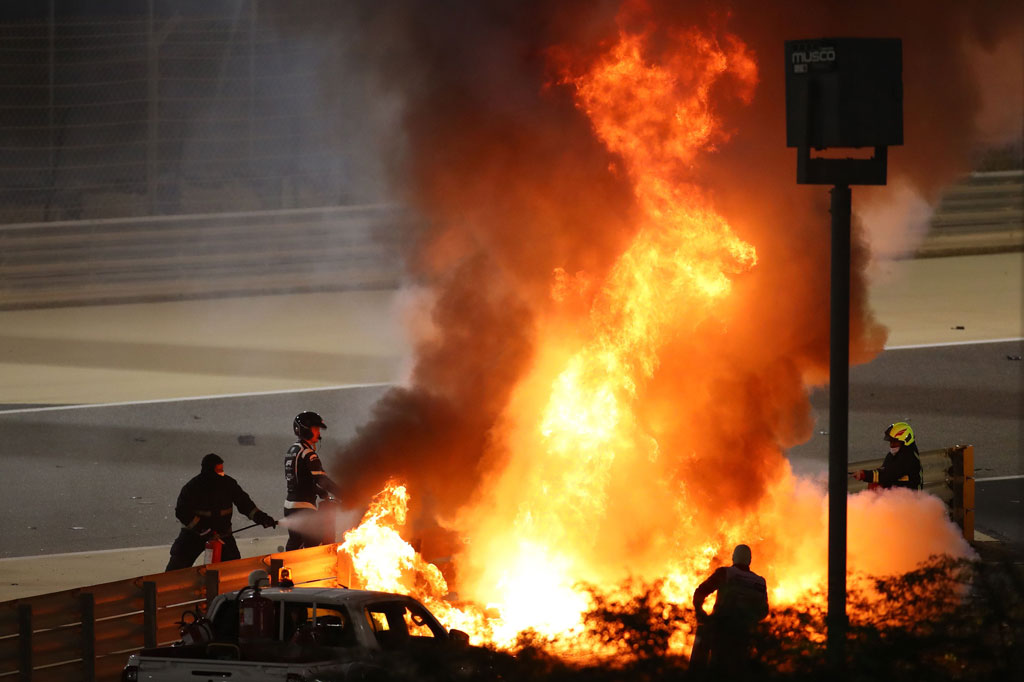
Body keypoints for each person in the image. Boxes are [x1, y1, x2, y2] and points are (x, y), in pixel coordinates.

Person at [166, 453, 277, 571]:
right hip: (194, 535)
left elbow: (245, 504)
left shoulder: (228, 484)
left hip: (222, 535)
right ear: (208, 470)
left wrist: (262, 518)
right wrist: (203, 529)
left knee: (233, 570)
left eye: (222, 470)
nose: (222, 473)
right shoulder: (193, 487)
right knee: (176, 567)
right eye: (219, 470)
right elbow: (182, 512)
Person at [691, 544, 769, 677]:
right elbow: (764, 611)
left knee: (711, 668)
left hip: (720, 630)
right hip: (745, 636)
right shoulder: (760, 582)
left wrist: (701, 613)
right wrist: (749, 621)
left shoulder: (725, 573)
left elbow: (700, 593)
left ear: (733, 558)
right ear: (750, 560)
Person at [283, 411, 339, 550]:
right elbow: (321, 479)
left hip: (290, 506)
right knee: (313, 547)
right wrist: (344, 494)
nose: (318, 432)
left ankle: (286, 569)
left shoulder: (292, 449)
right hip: (304, 508)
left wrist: (320, 492)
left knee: (295, 545)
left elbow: (300, 480)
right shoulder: (308, 453)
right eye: (315, 429)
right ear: (305, 430)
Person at [854, 421, 923, 490]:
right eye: (890, 442)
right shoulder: (897, 453)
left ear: (905, 440)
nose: (891, 445)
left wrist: (865, 475)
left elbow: (888, 475)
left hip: (910, 498)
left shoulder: (908, 458)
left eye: (894, 442)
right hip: (898, 495)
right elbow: (885, 470)